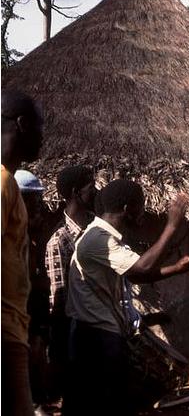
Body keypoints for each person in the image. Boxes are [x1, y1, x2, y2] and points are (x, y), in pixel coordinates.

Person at [64, 179, 189, 416]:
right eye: (141, 206)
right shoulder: (99, 239)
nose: (143, 213)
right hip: (95, 337)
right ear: (128, 209)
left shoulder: (104, 236)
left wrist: (175, 269)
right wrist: (171, 226)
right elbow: (141, 268)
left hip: (96, 333)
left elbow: (135, 275)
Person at [2, 90, 44, 416]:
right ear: (22, 124)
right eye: (40, 127)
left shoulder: (10, 185)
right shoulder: (2, 183)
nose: (43, 136)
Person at [44, 165, 96, 408]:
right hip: (77, 337)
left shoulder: (96, 231)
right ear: (76, 193)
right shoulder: (60, 241)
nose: (95, 192)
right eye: (91, 188)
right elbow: (60, 299)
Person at [15, 170, 50, 413]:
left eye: (37, 200)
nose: (36, 206)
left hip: (30, 309)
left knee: (35, 353)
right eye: (30, 199)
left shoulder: (30, 236)